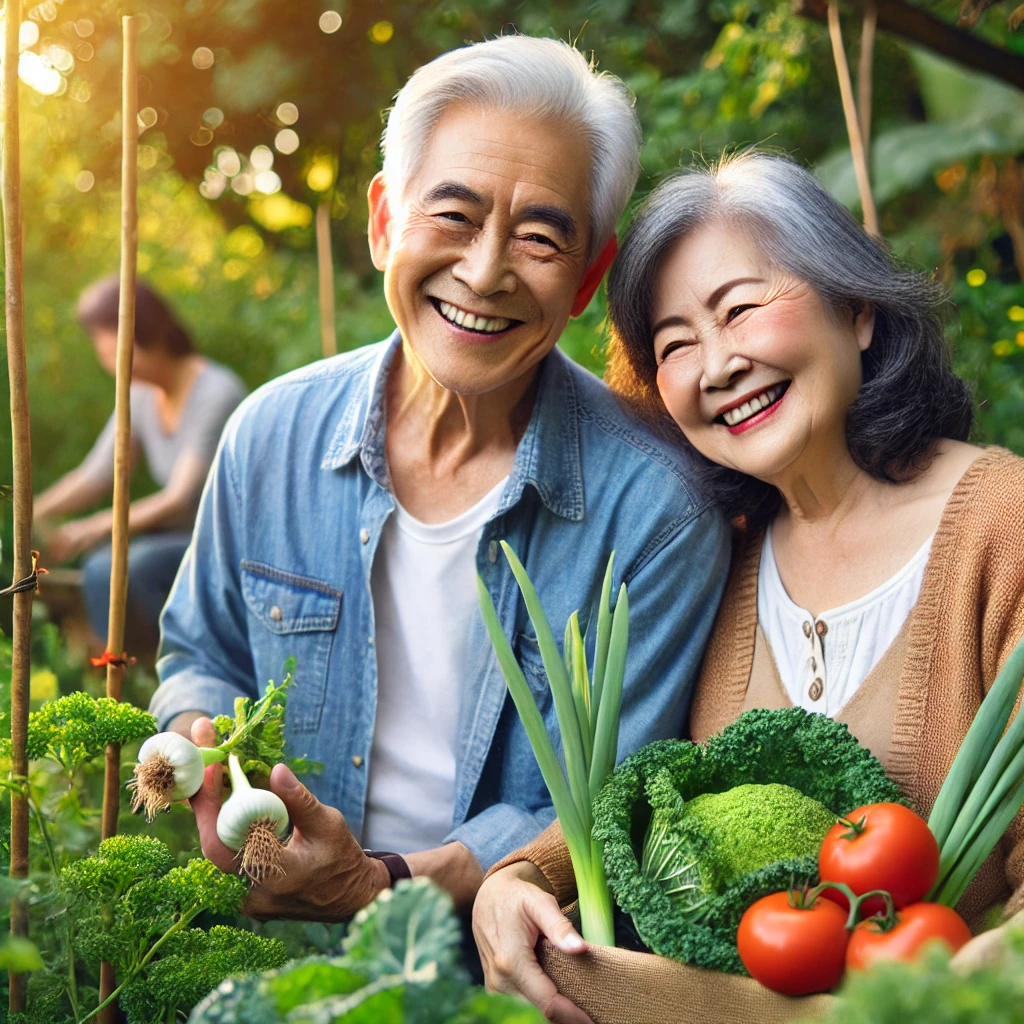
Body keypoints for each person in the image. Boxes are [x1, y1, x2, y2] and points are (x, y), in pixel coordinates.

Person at [150, 35, 730, 924]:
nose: (486, 271)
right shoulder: (269, 435)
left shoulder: (656, 511)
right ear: (386, 221)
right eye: (454, 215)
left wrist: (377, 882)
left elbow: (604, 802)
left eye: (540, 238)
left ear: (588, 279)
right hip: (264, 945)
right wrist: (200, 752)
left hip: (501, 959)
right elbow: (201, 652)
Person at [472, 152, 1024, 1023]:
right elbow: (640, 791)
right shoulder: (717, 554)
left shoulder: (1004, 526)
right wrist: (519, 880)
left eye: (740, 309)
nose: (718, 365)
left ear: (858, 309)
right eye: (676, 345)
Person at [34, 277, 246, 653]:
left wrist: (96, 527)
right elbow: (96, 474)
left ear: (146, 332)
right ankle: (123, 665)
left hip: (222, 539)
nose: (107, 361)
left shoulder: (216, 391)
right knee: (97, 565)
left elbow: (179, 498)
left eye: (112, 348)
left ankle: (158, 666)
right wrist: (34, 512)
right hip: (176, 538)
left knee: (117, 567)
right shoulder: (142, 394)